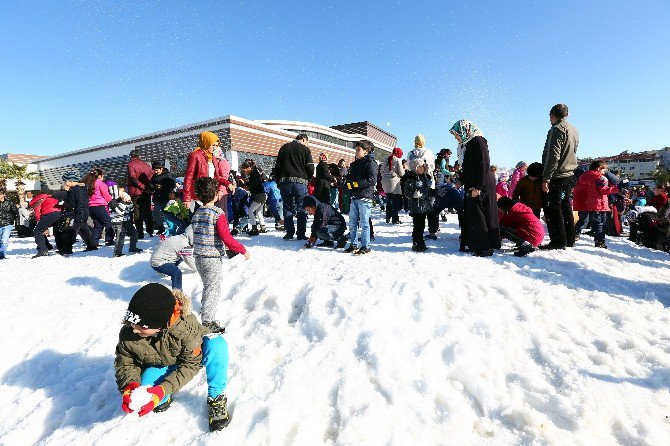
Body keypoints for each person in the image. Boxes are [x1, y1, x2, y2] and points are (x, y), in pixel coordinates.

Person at [115, 283, 231, 432]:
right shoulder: (129, 333)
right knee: (145, 391)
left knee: (217, 345)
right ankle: (164, 397)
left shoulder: (186, 327)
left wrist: (164, 388)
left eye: (141, 326)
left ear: (159, 324)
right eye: (132, 322)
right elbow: (126, 362)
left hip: (191, 358)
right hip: (161, 363)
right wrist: (129, 385)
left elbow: (190, 365)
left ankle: (216, 398)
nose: (135, 329)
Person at [191, 177, 249, 331]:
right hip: (211, 258)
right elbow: (226, 237)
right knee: (213, 288)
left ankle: (205, 310)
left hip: (198, 257)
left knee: (207, 285)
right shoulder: (217, 213)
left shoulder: (197, 212)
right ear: (216, 194)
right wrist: (242, 249)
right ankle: (208, 321)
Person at [450, 120, 500, 256]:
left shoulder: (478, 140)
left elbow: (484, 163)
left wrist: (478, 186)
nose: (456, 138)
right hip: (472, 182)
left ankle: (484, 246)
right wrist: (461, 179)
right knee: (472, 212)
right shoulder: (466, 144)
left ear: (464, 130)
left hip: (481, 182)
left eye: (457, 134)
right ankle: (474, 243)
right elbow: (468, 167)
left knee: (478, 213)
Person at [540, 104, 579, 250]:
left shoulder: (556, 129)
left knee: (552, 208)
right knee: (566, 206)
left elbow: (553, 155)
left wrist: (546, 178)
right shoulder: (574, 129)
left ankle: (558, 241)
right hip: (569, 173)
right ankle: (569, 238)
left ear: (552, 115)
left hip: (557, 175)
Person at [275, 134, 314, 240]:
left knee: (287, 207)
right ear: (304, 139)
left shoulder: (283, 148)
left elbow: (277, 167)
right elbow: (310, 167)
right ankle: (301, 234)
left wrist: (278, 181)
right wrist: (308, 179)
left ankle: (289, 232)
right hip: (300, 182)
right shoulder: (305, 149)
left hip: (284, 181)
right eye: (307, 142)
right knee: (301, 207)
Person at [572, 160, 618, 248]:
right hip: (597, 204)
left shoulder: (582, 176)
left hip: (584, 203)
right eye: (604, 170)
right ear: (599, 168)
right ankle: (600, 241)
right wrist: (616, 188)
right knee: (599, 223)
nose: (604, 172)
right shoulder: (600, 178)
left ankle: (574, 235)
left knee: (582, 221)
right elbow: (604, 190)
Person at [182, 132, 231, 214]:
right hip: (198, 195)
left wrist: (227, 183)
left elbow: (217, 177)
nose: (215, 148)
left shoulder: (213, 158)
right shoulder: (195, 155)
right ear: (206, 143)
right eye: (213, 145)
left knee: (208, 220)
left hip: (209, 194)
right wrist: (187, 198)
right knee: (197, 222)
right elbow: (188, 177)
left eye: (216, 145)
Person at [343, 140, 377, 255]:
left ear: (366, 151)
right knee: (352, 223)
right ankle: (353, 244)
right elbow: (349, 177)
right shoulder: (354, 164)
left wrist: (356, 184)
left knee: (364, 222)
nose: (356, 152)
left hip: (365, 197)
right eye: (356, 149)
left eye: (359, 150)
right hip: (354, 196)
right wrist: (346, 183)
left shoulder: (371, 163)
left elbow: (372, 179)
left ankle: (366, 246)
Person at [402, 155, 436, 252]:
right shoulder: (411, 178)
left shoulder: (425, 178)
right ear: (415, 168)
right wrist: (413, 195)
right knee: (417, 226)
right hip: (416, 207)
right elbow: (406, 192)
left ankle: (421, 242)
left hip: (424, 206)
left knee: (422, 225)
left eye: (423, 166)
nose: (422, 168)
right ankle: (416, 242)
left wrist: (435, 192)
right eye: (420, 167)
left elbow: (427, 191)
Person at [59, 171, 98, 255]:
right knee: (84, 230)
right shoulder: (76, 189)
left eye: (65, 181)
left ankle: (67, 249)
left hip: (76, 214)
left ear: (71, 181)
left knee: (70, 230)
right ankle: (92, 245)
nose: (64, 183)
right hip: (79, 213)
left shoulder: (77, 189)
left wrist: (78, 216)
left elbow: (80, 202)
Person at [150, 225, 196, 290]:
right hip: (158, 262)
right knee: (177, 273)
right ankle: (177, 293)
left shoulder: (180, 237)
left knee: (181, 257)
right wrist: (198, 269)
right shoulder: (183, 244)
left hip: (161, 258)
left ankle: (168, 270)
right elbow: (189, 260)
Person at [84, 168, 114, 246]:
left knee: (98, 225)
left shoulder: (88, 184)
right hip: (100, 206)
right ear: (100, 176)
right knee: (108, 222)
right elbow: (106, 195)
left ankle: (94, 241)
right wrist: (111, 201)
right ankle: (109, 239)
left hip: (91, 207)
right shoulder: (100, 183)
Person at [109, 188, 142, 257]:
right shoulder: (113, 202)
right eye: (122, 193)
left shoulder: (124, 201)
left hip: (127, 221)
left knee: (134, 234)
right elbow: (120, 211)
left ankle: (133, 247)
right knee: (120, 237)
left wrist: (129, 202)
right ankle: (117, 252)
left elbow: (131, 209)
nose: (124, 194)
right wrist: (124, 203)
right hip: (118, 222)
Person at [29, 193, 62, 257]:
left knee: (38, 231)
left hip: (49, 213)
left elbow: (38, 214)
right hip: (59, 213)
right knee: (57, 231)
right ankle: (61, 248)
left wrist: (40, 224)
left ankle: (42, 250)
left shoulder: (37, 201)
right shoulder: (51, 198)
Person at [240, 159, 267, 236]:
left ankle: (254, 228)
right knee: (258, 212)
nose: (244, 171)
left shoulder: (254, 174)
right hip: (262, 195)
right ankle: (263, 227)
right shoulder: (255, 172)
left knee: (250, 211)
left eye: (244, 170)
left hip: (259, 195)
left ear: (249, 168)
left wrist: (247, 186)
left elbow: (255, 183)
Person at [381, 147, 405, 224]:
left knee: (388, 201)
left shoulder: (385, 159)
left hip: (385, 182)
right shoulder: (397, 160)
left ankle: (388, 217)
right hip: (394, 183)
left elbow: (381, 170)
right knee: (395, 203)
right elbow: (401, 173)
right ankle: (395, 219)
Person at [150, 162, 176, 234]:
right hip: (157, 198)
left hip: (166, 198)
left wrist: (163, 187)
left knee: (167, 214)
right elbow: (151, 185)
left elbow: (173, 185)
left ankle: (172, 228)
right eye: (154, 170)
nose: (156, 172)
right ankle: (160, 227)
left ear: (161, 169)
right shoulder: (154, 177)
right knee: (155, 213)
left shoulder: (168, 176)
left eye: (157, 170)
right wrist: (154, 187)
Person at [0, 187, 18, 259]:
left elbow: (16, 213)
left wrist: (17, 223)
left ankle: (2, 254)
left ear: (3, 194)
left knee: (4, 239)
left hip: (8, 224)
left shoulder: (10, 203)